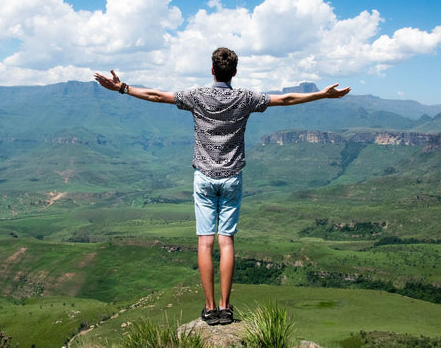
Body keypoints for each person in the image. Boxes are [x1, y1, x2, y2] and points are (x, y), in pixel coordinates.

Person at [94, 47, 350, 326]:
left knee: (205, 242)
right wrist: (322, 94)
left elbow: (157, 96)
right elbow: (286, 99)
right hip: (232, 178)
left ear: (212, 70)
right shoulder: (245, 98)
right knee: (226, 241)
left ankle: (209, 308)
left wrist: (123, 88)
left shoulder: (197, 96)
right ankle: (226, 309)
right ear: (235, 72)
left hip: (203, 177)